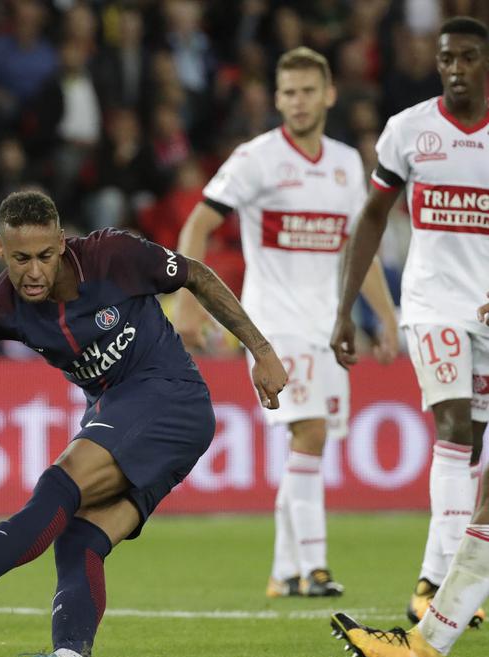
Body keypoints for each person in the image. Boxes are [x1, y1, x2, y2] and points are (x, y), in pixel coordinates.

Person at [0, 190, 287, 657]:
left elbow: (199, 276)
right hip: (120, 412)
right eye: (20, 259)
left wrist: (261, 351)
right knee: (79, 534)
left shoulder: (112, 255)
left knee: (60, 483)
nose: (33, 271)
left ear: (62, 243)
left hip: (169, 398)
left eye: (44, 256)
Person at [173, 47, 399, 599]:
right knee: (311, 431)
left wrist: (387, 317)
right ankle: (315, 568)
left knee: (310, 443)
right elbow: (199, 223)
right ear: (277, 99)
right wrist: (187, 301)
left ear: (328, 95)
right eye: (287, 92)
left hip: (328, 328)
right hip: (272, 325)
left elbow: (357, 249)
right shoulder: (256, 158)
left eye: (306, 91)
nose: (297, 102)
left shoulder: (347, 163)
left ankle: (282, 570)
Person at [329, 16, 489, 657]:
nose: (454, 69)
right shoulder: (407, 130)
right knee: (458, 430)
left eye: (467, 58)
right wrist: (346, 310)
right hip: (436, 305)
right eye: (444, 57)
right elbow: (370, 215)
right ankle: (429, 626)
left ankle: (428, 629)